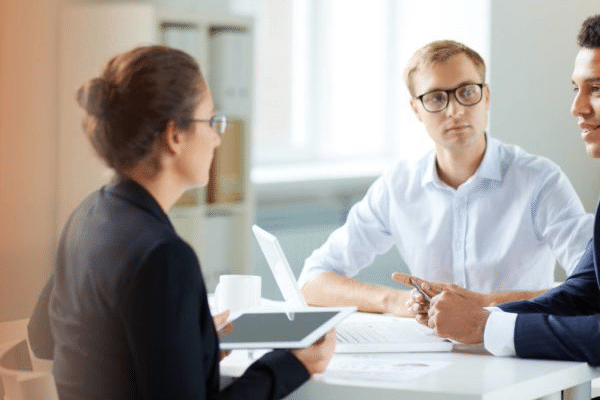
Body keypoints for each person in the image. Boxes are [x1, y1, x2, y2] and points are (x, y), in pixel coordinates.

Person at [27, 45, 336, 400]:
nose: (219, 137)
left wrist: (192, 349)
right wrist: (292, 365)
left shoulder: (87, 217)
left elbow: (45, 337)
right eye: (212, 121)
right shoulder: (164, 256)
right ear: (175, 135)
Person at [298, 40, 594, 317]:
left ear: (486, 97)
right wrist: (397, 301)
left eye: (467, 92)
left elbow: (592, 287)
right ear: (416, 109)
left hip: (519, 349)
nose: (455, 110)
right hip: (432, 354)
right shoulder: (398, 186)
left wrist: (483, 304)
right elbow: (313, 279)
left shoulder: (539, 181)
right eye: (437, 98)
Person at [399, 14, 600, 367]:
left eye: (596, 89)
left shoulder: (539, 179)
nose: (577, 108)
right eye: (575, 88)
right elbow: (583, 295)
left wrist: (485, 324)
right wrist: (474, 311)